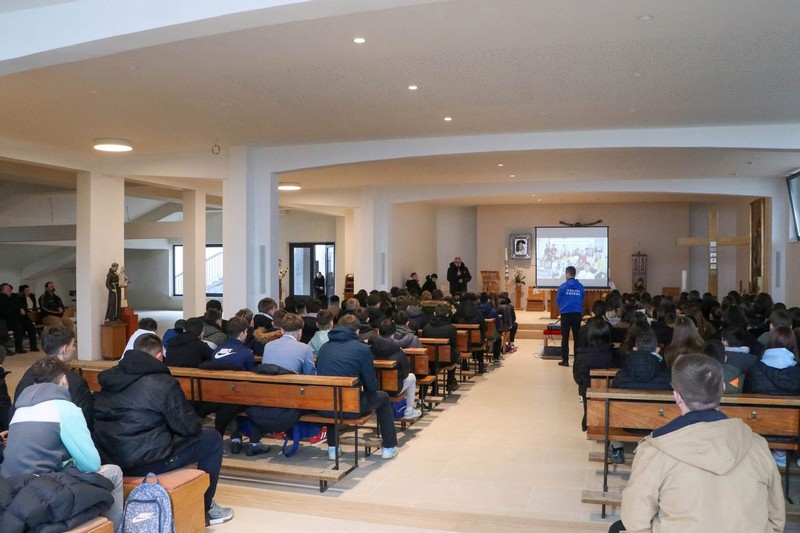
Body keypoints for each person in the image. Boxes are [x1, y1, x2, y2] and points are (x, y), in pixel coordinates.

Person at [611, 354, 784, 533]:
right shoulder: (757, 445)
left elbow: (636, 521)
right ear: (723, 388)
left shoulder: (654, 451)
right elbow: (776, 519)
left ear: (677, 396)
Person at [92, 333, 233, 526]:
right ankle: (204, 508)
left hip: (111, 458)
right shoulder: (162, 382)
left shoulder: (110, 379)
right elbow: (189, 426)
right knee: (212, 439)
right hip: (146, 461)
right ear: (159, 356)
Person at [2, 357, 124, 531]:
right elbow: (91, 464)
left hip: (11, 487)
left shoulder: (20, 410)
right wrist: (70, 462)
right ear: (64, 380)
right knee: (114, 472)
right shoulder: (65, 409)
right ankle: (115, 529)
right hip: (43, 489)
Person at [316, 314, 399, 461]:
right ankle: (389, 447)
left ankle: (333, 448)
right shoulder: (362, 349)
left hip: (325, 407)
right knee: (384, 398)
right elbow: (371, 386)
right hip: (351, 407)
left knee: (333, 396)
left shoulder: (324, 348)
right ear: (357, 331)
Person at [12, 324, 93, 427]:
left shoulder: (28, 374)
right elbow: (84, 420)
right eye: (73, 345)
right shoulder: (76, 381)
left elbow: (14, 409)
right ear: (65, 349)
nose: (74, 349)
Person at [556, 266, 584, 367]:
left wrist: (564, 306)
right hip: (577, 314)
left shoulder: (563, 286)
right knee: (577, 337)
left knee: (565, 338)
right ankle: (577, 360)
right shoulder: (580, 286)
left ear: (568, 274)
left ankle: (565, 360)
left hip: (566, 314)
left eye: (565, 273)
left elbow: (558, 300)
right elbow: (582, 299)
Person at [0, 282, 38, 354]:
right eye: (7, 289)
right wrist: (18, 309)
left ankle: (33, 346)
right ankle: (19, 348)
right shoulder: (1, 298)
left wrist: (23, 309)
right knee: (18, 327)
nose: (9, 290)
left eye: (10, 288)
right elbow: (6, 310)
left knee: (31, 326)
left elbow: (22, 305)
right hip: (7, 319)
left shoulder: (15, 296)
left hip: (19, 317)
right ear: (2, 290)